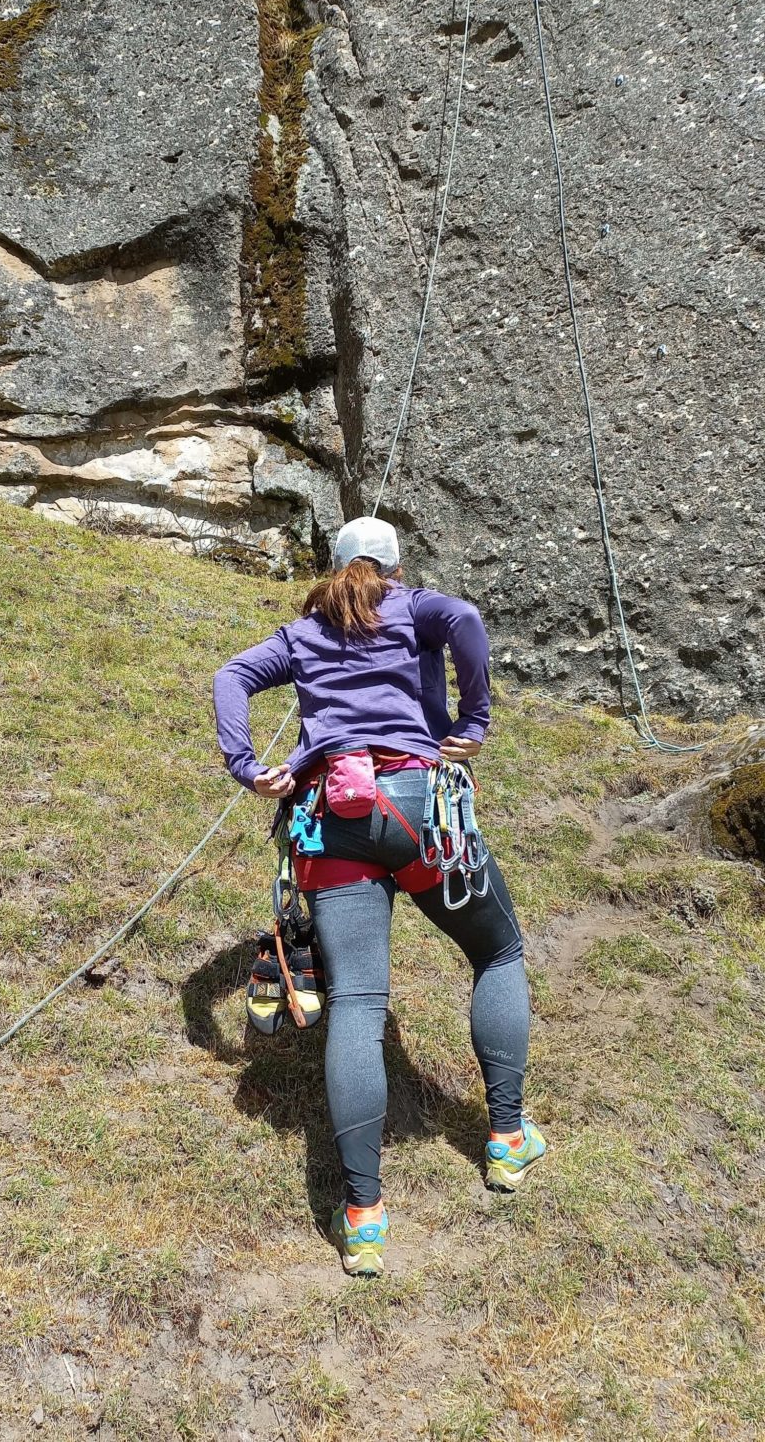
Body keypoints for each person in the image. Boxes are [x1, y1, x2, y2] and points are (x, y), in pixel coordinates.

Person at [213, 516, 545, 1276]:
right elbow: (464, 619)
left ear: (334, 567)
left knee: (359, 1000)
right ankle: (505, 1140)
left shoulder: (301, 632)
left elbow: (230, 675)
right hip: (418, 808)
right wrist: (475, 719)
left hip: (333, 822)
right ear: (394, 568)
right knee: (498, 950)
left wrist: (246, 765)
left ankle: (363, 1217)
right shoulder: (414, 607)